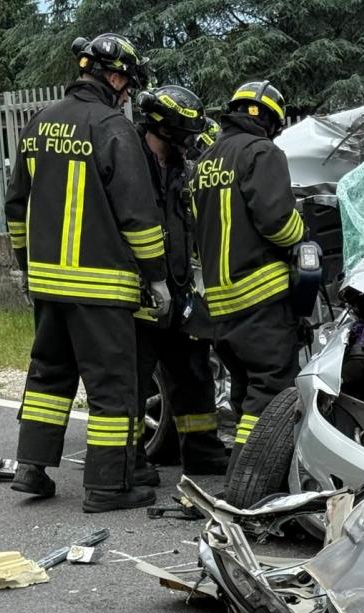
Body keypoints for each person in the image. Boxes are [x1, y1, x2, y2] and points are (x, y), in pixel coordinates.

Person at [4, 33, 166, 512]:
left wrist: (27, 267)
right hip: (102, 286)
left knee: (49, 377)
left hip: (48, 285)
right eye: (127, 86)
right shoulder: (112, 128)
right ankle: (107, 488)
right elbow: (138, 214)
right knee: (112, 388)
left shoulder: (37, 123)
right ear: (113, 77)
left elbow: (16, 208)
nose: (127, 96)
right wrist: (156, 276)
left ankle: (31, 470)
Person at [192, 80, 305, 479]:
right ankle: (250, 482)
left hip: (221, 304)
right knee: (271, 392)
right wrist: (301, 233)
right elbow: (278, 222)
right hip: (261, 294)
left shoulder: (206, 160)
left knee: (243, 392)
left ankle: (238, 473)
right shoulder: (263, 152)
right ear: (271, 121)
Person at [133, 85, 229, 483]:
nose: (191, 143)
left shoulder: (181, 168)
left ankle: (202, 453)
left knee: (193, 371)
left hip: (177, 288)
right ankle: (129, 461)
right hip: (136, 292)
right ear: (165, 128)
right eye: (186, 134)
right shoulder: (129, 163)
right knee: (133, 382)